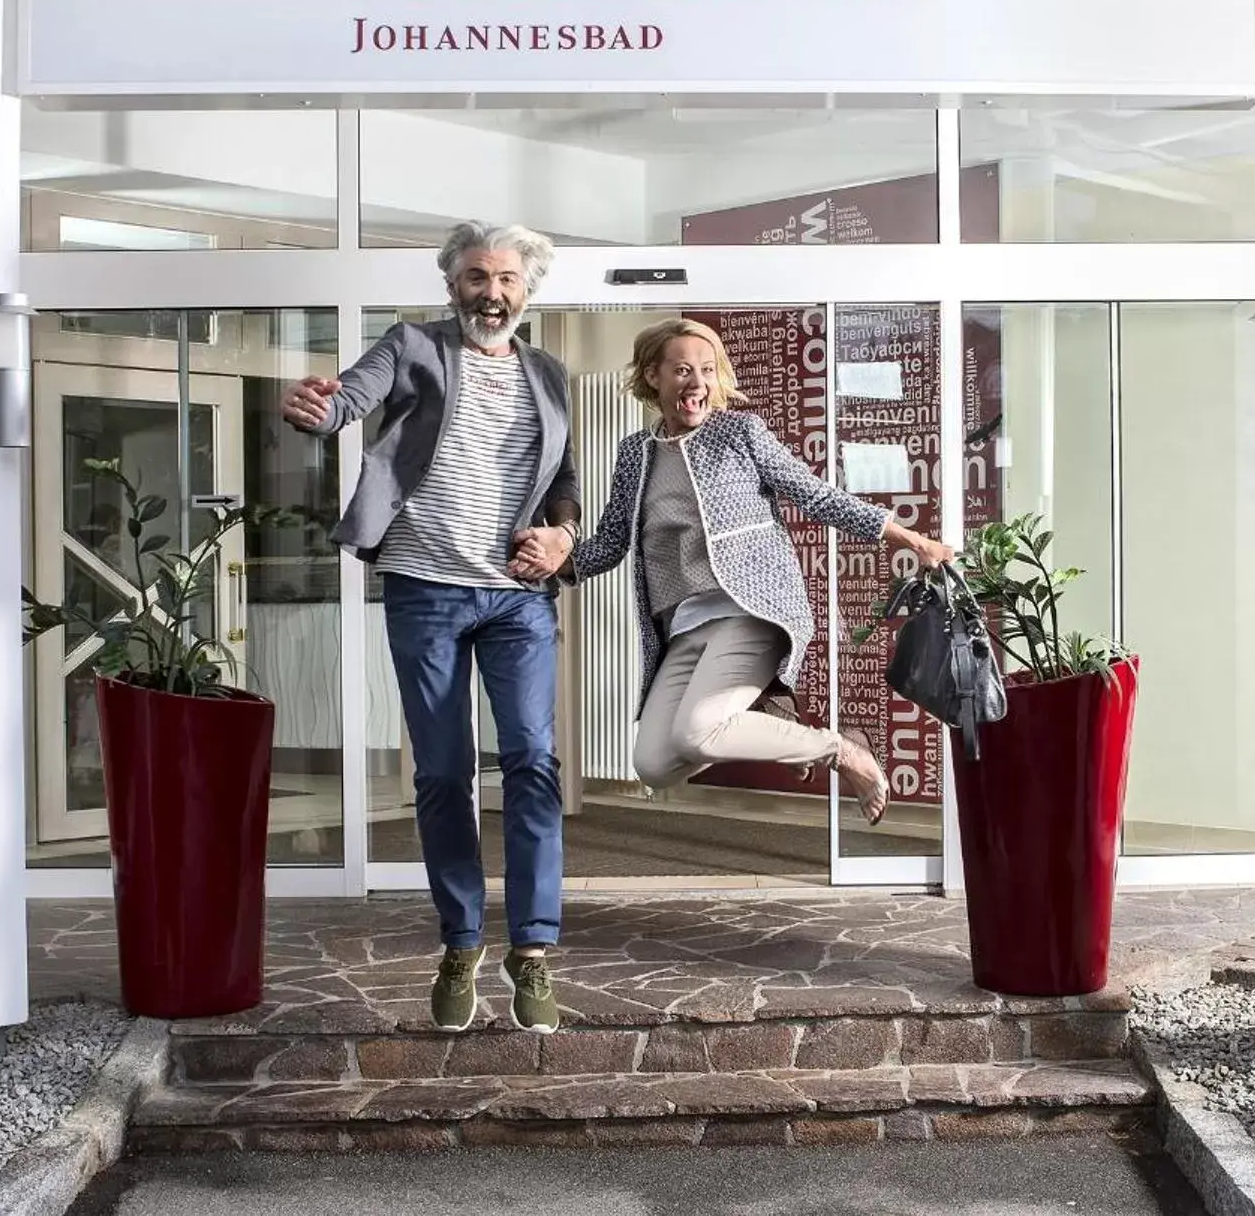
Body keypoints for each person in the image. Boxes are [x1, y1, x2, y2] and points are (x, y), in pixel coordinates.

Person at [282, 222, 581, 1036]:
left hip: (517, 595)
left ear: (528, 290)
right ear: (453, 284)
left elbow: (563, 482)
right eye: (477, 277)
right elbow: (345, 399)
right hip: (425, 586)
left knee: (531, 760)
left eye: (507, 280)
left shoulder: (549, 374)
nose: (492, 293)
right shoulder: (411, 345)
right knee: (444, 772)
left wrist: (562, 537)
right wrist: (314, 409)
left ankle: (532, 951)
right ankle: (459, 943)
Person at [518, 317, 953, 824]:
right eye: (681, 369)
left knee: (696, 730)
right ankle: (792, 735)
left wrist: (909, 537)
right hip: (683, 627)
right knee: (653, 763)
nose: (696, 383)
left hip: (751, 611)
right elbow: (613, 541)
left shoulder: (741, 433)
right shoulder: (635, 453)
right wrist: (553, 564)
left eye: (706, 370)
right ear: (653, 376)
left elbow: (814, 495)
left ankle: (843, 750)